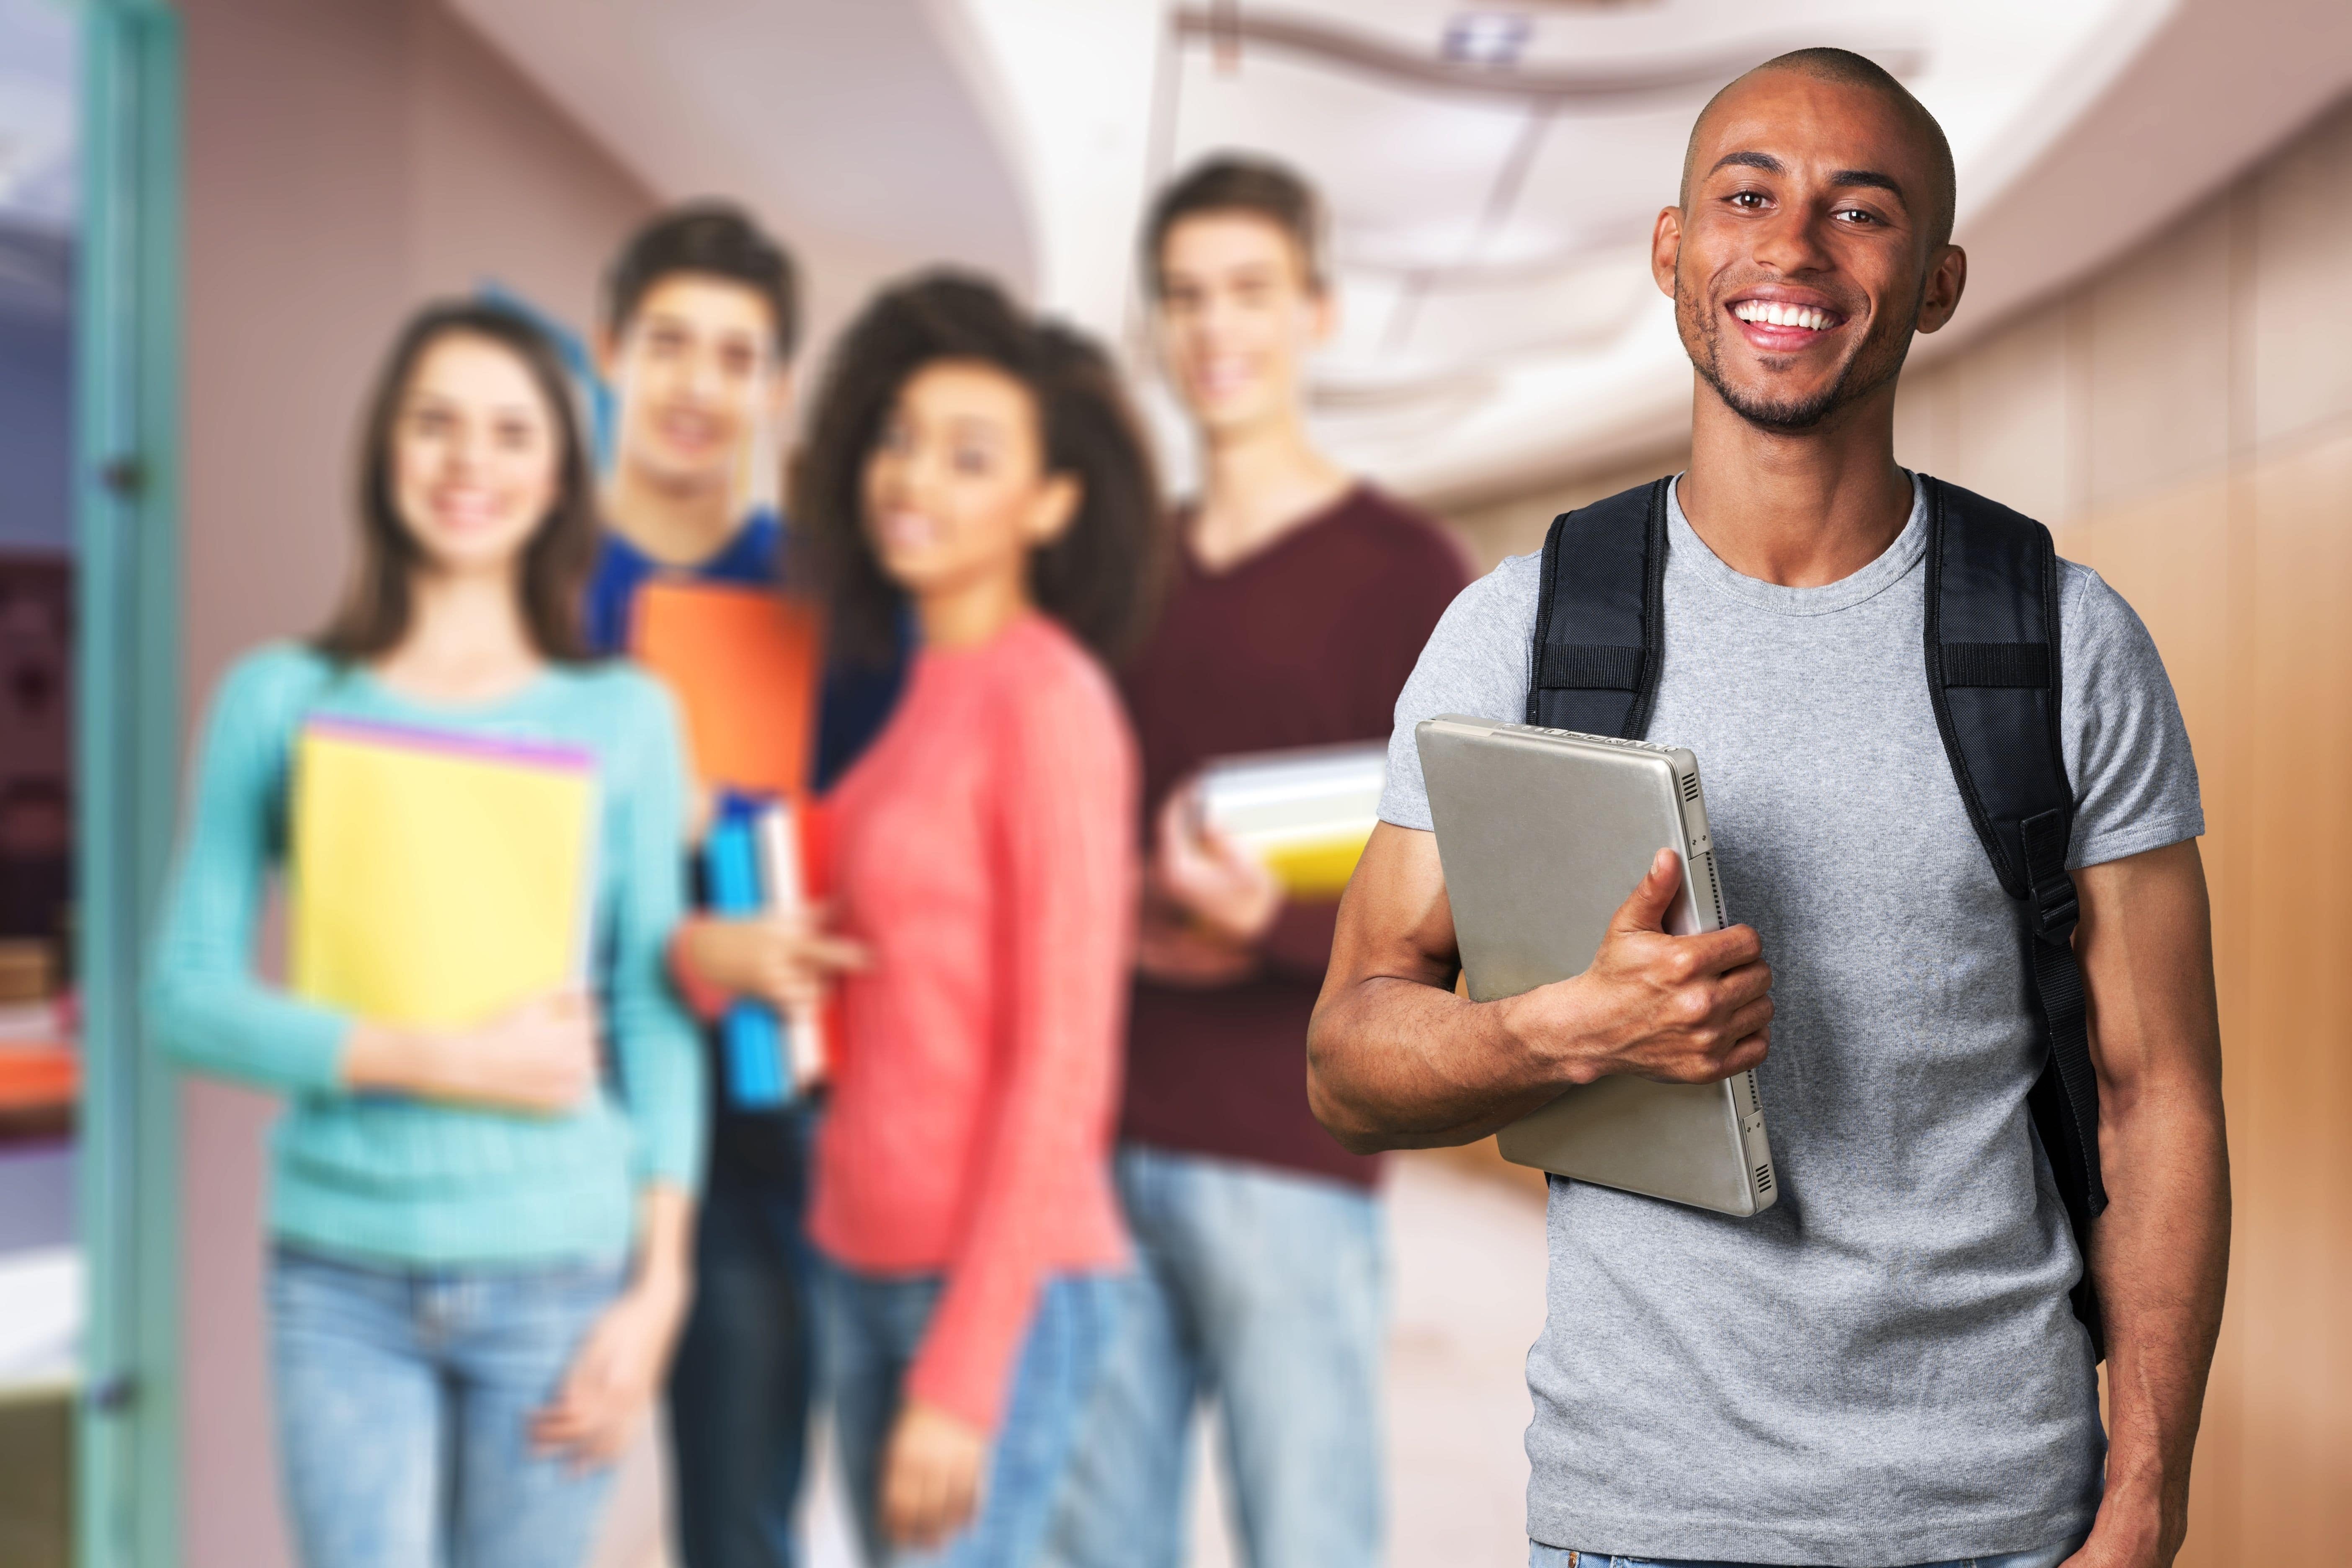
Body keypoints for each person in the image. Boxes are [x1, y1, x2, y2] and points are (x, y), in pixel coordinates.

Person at [1308, 48, 2228, 1568]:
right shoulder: (1523, 634)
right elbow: (1352, 1055)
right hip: (1641, 1517)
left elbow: (2161, 1096)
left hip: (2000, 1514)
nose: (1792, 247)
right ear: (1675, 253)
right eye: (1747, 196)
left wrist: (2144, 1501)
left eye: (1860, 212)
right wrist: (1568, 1031)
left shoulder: (2064, 642)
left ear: (1934, 284)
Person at [150, 301, 704, 1568]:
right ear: (384, 451)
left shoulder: (626, 718)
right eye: (435, 424)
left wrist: (661, 1287)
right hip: (339, 1276)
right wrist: (445, 1057)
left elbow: (656, 1017)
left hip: (560, 1271)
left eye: (512, 433)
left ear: (559, 477)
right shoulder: (279, 699)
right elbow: (183, 995)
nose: (470, 463)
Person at [676, 273, 1161, 1565]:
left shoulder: (1047, 702)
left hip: (989, 1287)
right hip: (857, 1250)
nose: (914, 479)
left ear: (1049, 504)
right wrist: (701, 954)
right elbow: (816, 962)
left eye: (968, 456)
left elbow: (1065, 1062)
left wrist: (964, 1371)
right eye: (899, 439)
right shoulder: (903, 708)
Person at [1046, 156, 1468, 1568]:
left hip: (1291, 1153)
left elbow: (1454, 894)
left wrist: (1269, 934)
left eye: (1248, 292)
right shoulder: (1114, 573)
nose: (1214, 329)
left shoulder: (1412, 577)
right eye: (1182, 298)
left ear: (1318, 314)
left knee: (1310, 1541)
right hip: (1102, 1138)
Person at [586, 201, 903, 1568]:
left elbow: (894, 855)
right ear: (610, 354)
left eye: (736, 354)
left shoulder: (835, 603)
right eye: (669, 343)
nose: (698, 384)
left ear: (776, 387)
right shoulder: (525, 588)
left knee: (737, 1512)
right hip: (539, 1099)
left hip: (757, 1130)